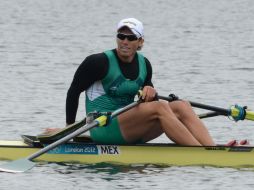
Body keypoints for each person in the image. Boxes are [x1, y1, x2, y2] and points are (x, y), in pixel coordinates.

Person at [65, 18, 216, 146]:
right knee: (161, 107)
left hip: (130, 127)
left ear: (140, 41)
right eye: (121, 36)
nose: (125, 41)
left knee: (182, 106)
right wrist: (69, 130)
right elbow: (73, 92)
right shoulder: (98, 62)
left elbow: (149, 105)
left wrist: (151, 92)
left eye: (131, 38)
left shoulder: (145, 64)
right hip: (103, 128)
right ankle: (200, 152)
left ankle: (212, 148)